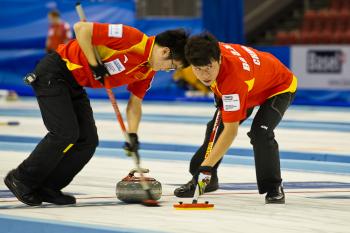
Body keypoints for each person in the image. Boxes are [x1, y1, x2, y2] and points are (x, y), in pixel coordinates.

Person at [4, 21, 189, 206]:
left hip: (74, 83)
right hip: (55, 72)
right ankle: (21, 178)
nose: (168, 70)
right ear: (165, 51)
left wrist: (132, 134)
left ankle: (49, 187)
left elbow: (135, 103)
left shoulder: (147, 70)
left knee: (88, 140)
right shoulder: (131, 37)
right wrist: (94, 64)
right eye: (172, 66)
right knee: (65, 133)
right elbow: (81, 28)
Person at [174, 32, 297, 204]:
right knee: (214, 129)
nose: (204, 75)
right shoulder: (209, 50)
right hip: (252, 83)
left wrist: (206, 166)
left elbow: (231, 131)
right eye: (198, 69)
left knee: (260, 132)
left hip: (278, 86)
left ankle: (273, 187)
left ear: (219, 59)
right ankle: (208, 182)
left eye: (208, 67)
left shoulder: (233, 80)